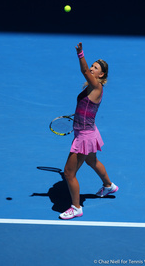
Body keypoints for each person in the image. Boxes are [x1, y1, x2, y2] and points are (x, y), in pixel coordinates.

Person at [59, 42, 118, 220]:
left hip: (85, 137)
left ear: (101, 75)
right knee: (92, 161)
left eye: (95, 68)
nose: (91, 69)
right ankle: (108, 186)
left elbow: (83, 71)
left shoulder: (96, 87)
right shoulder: (91, 88)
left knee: (69, 173)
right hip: (88, 132)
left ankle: (76, 207)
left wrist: (80, 54)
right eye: (92, 65)